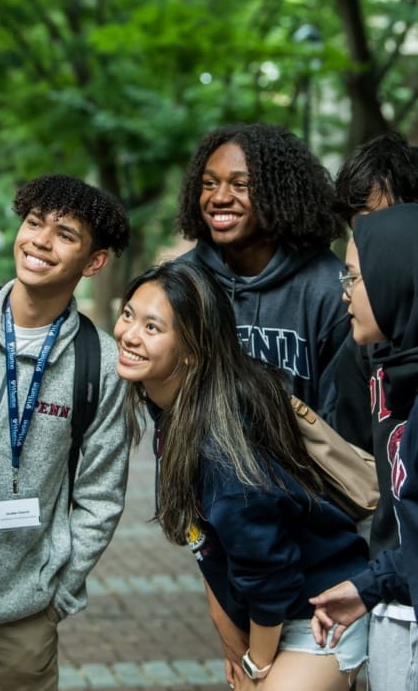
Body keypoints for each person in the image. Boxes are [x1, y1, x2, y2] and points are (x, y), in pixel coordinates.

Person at [114, 260, 369, 690]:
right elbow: (210, 540)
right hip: (271, 612)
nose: (129, 335)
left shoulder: (220, 446)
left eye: (152, 327)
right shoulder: (178, 411)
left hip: (321, 611)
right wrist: (227, 625)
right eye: (128, 315)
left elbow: (270, 574)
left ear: (192, 350)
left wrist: (257, 665)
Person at [0, 173, 132, 691]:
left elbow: (100, 493)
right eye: (34, 224)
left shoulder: (102, 364)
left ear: (94, 262)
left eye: (65, 235)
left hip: (22, 614)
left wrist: (60, 592)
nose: (40, 242)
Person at [311, 204, 418, 691]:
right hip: (395, 604)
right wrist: (369, 588)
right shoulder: (389, 367)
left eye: (355, 277)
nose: (345, 294)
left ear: (396, 276)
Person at [176, 123, 349, 416]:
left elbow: (340, 413)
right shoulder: (183, 280)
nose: (219, 197)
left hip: (298, 461)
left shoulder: (329, 288)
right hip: (198, 460)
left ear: (279, 193)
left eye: (240, 185)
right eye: (209, 183)